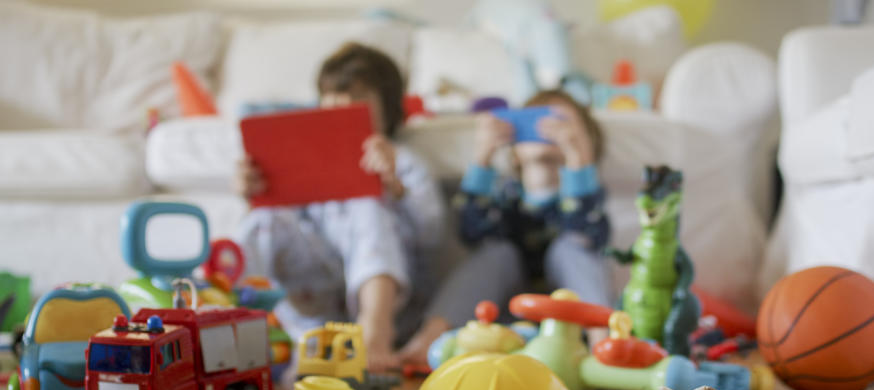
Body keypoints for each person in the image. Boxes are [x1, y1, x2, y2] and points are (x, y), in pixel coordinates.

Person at [236, 43, 444, 372]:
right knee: (264, 219)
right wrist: (258, 193)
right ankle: (238, 321)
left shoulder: (402, 160)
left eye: (358, 99)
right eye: (333, 98)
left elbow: (431, 234)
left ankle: (375, 333)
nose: (343, 106)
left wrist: (393, 186)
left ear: (387, 111)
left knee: (367, 204)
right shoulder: (307, 158)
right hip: (318, 291)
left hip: (385, 290)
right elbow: (289, 229)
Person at [399, 89, 611, 364]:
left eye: (562, 124)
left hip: (572, 328)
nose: (550, 131)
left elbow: (587, 232)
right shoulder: (505, 193)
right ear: (515, 150)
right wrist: (482, 157)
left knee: (573, 247)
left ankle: (604, 345)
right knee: (496, 253)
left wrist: (578, 160)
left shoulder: (587, 196)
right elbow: (472, 232)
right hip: (506, 318)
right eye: (536, 123)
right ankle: (428, 341)